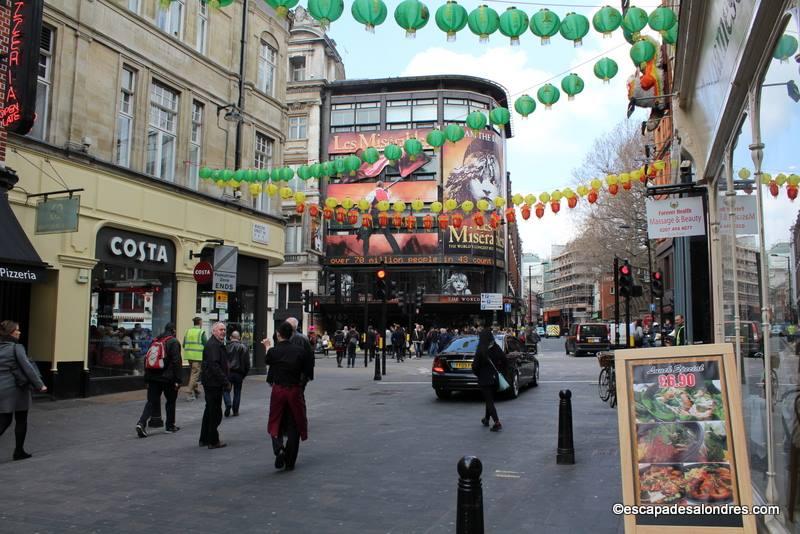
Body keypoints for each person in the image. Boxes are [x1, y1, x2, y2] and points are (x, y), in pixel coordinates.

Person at [261, 321, 314, 471]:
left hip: (278, 389)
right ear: (291, 334)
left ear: (278, 334)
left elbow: (268, 359)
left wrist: (267, 346)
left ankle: (279, 449)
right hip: (294, 389)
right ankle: (290, 460)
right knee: (295, 423)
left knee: (275, 420)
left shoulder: (274, 351)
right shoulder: (300, 351)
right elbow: (307, 371)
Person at [0, 320, 47, 460]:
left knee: (5, 419)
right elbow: (28, 368)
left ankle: (19, 451)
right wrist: (40, 385)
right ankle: (18, 451)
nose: (19, 332)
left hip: (2, 388)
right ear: (11, 332)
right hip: (16, 388)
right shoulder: (17, 347)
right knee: (20, 420)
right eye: (17, 330)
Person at [135, 323, 182, 437]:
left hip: (153, 376)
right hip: (167, 378)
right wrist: (178, 380)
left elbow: (148, 358)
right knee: (170, 401)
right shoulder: (173, 342)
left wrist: (147, 378)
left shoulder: (156, 340)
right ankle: (170, 426)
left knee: (151, 401)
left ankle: (141, 423)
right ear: (173, 330)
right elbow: (176, 362)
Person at [199, 322, 229, 449]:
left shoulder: (216, 344)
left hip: (212, 382)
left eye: (224, 329)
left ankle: (205, 438)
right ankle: (213, 440)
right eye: (220, 329)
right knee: (215, 412)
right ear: (214, 331)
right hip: (213, 383)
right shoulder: (213, 345)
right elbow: (214, 366)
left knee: (209, 410)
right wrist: (225, 382)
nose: (223, 332)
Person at [471, 328, 507, 432]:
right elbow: (504, 360)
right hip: (495, 378)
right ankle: (486, 419)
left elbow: (475, 366)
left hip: (484, 379)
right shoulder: (495, 347)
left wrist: (478, 374)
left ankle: (497, 422)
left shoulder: (481, 349)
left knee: (489, 401)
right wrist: (500, 371)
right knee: (489, 399)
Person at [224, 331, 251, 418]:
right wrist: (244, 374)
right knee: (237, 392)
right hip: (239, 373)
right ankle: (235, 411)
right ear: (239, 338)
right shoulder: (244, 347)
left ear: (231, 337)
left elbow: (223, 361)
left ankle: (228, 403)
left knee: (225, 390)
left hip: (228, 373)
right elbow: (247, 363)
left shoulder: (226, 347)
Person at [183, 317, 207, 401]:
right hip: (197, 356)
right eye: (202, 322)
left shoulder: (188, 331)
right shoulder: (201, 332)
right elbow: (206, 345)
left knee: (193, 373)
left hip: (189, 356)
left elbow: (183, 344)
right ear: (200, 322)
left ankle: (196, 389)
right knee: (195, 374)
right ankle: (189, 392)